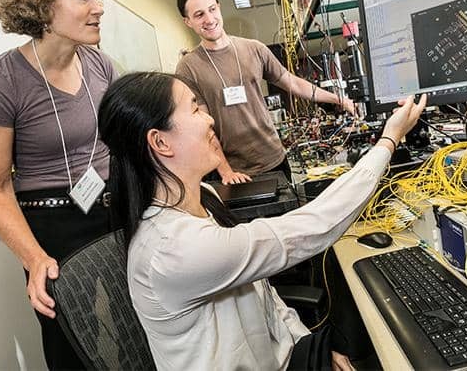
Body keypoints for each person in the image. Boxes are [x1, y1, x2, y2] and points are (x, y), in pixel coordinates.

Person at [97, 71, 426, 371]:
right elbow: (312, 227)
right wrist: (389, 140)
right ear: (160, 142)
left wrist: (304, 344)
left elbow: (261, 293)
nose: (210, 118)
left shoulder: (205, 197)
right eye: (195, 109)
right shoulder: (172, 250)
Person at [0, 0, 121, 370]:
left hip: (113, 209)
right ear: (41, 6)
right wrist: (34, 259)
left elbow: (120, 145)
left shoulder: (100, 65)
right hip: (52, 228)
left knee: (135, 330)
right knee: (73, 344)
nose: (99, 7)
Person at [175, 0, 357, 184]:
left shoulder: (254, 49)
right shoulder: (188, 67)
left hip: (274, 159)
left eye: (212, 9)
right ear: (188, 22)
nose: (209, 19)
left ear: (219, 6)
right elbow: (202, 124)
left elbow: (293, 83)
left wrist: (339, 99)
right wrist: (225, 171)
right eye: (199, 15)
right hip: (234, 172)